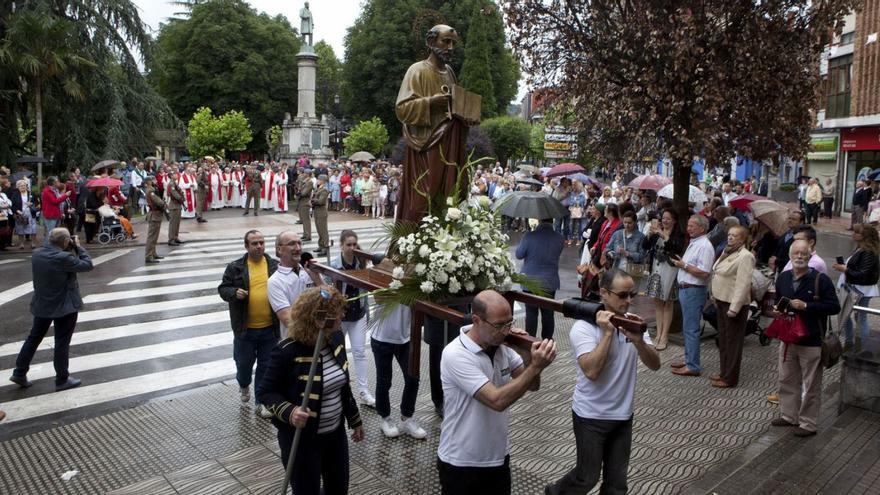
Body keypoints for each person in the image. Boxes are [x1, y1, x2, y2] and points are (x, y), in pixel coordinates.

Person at [545, 269, 660, 495]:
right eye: (622, 295)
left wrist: (639, 342)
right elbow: (592, 371)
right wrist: (607, 334)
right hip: (591, 416)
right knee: (586, 478)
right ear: (604, 293)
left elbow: (655, 364)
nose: (628, 301)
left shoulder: (632, 323)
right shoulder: (584, 327)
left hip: (623, 416)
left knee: (617, 485)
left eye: (632, 295)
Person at [437, 290, 557, 495]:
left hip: (498, 456)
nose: (505, 331)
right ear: (476, 320)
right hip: (461, 461)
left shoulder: (503, 347)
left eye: (509, 323)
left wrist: (527, 355)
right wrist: (536, 367)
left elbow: (532, 385)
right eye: (499, 325)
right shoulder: (455, 354)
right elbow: (496, 400)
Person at [257, 286, 365, 494]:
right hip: (302, 441)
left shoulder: (336, 338)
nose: (343, 316)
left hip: (335, 435)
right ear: (318, 320)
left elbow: (343, 385)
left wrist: (354, 419)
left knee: (338, 489)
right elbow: (265, 392)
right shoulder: (286, 351)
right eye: (337, 314)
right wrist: (290, 411)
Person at [395, 24, 472, 225]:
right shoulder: (417, 70)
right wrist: (430, 103)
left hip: (450, 144)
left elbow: (454, 105)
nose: (450, 47)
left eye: (453, 43)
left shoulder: (450, 72)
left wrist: (466, 114)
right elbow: (402, 109)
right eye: (445, 41)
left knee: (448, 195)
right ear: (431, 42)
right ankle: (415, 241)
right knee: (423, 197)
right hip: (426, 147)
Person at [770, 240, 840, 437]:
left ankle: (808, 424)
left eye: (803, 253)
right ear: (790, 256)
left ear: (810, 256)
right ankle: (788, 415)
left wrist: (807, 307)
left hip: (811, 339)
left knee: (811, 385)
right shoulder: (783, 277)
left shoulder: (820, 280)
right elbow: (777, 300)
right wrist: (777, 309)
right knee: (786, 379)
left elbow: (834, 306)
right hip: (787, 338)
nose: (799, 256)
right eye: (796, 253)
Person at [9, 228, 93, 391]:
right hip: (64, 306)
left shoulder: (37, 254)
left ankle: (19, 372)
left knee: (34, 338)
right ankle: (62, 379)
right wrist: (79, 247)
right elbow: (87, 265)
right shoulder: (63, 257)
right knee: (62, 342)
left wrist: (67, 245)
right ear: (64, 241)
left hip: (42, 303)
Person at [218, 230, 280, 418]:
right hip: (244, 329)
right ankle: (244, 384)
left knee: (266, 366)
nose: (259, 246)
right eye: (254, 243)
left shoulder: (274, 266)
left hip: (270, 329)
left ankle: (261, 403)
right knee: (244, 364)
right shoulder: (235, 267)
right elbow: (223, 289)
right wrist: (233, 292)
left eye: (261, 242)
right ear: (246, 246)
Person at [330, 230, 375, 407]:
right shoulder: (334, 265)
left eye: (354, 244)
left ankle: (364, 390)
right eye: (348, 244)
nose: (352, 248)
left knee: (359, 353)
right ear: (341, 245)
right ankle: (340, 390)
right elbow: (327, 290)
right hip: (340, 318)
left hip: (358, 316)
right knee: (338, 355)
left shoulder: (361, 263)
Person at [370, 304, 428, 439]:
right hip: (382, 337)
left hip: (406, 337)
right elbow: (379, 297)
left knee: (412, 378)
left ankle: (406, 417)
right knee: (384, 381)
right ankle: (385, 418)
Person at [709, 225, 755, 388]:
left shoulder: (745, 256)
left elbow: (743, 284)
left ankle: (730, 378)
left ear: (742, 239)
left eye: (735, 236)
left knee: (733, 342)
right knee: (723, 339)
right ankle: (724, 372)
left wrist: (735, 308)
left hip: (734, 304)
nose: (730, 238)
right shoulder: (727, 251)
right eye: (729, 235)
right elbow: (718, 273)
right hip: (721, 300)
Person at [670, 215, 715, 377]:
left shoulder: (704, 246)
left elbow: (704, 272)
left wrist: (684, 265)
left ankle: (693, 365)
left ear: (702, 228)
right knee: (687, 328)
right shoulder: (695, 243)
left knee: (691, 329)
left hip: (693, 290)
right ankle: (689, 359)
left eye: (692, 226)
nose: (688, 228)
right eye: (688, 225)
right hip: (686, 289)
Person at [515, 217, 565, 339]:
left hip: (530, 280)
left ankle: (530, 341)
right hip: (549, 281)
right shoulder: (559, 238)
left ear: (539, 220)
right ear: (552, 220)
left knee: (531, 314)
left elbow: (519, 254)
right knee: (548, 314)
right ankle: (547, 342)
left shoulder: (529, 236)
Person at [642, 208, 685, 350]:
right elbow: (645, 246)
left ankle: (664, 335)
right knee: (657, 302)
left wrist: (664, 236)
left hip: (671, 270)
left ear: (674, 221)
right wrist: (648, 236)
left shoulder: (679, 235)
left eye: (668, 218)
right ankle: (658, 333)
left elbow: (677, 248)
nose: (665, 221)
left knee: (668, 303)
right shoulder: (655, 232)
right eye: (663, 218)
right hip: (656, 268)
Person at [833, 223, 880, 350]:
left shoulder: (868, 251)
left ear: (864, 236)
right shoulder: (861, 248)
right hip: (856, 286)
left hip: (860, 288)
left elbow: (863, 274)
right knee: (848, 314)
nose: (853, 234)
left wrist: (845, 269)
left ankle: (862, 346)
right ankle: (850, 342)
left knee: (860, 316)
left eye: (857, 233)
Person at [40, 176, 71, 246]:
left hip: (56, 214)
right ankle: (47, 248)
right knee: (50, 232)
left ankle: (52, 247)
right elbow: (55, 201)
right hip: (50, 215)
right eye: (57, 181)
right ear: (53, 183)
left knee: (55, 233)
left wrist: (61, 213)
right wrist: (65, 195)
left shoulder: (55, 190)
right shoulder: (47, 191)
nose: (59, 183)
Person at [144, 176, 165, 265]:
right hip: (154, 215)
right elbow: (158, 202)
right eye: (153, 180)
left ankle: (153, 253)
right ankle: (149, 256)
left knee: (155, 237)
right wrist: (163, 202)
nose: (154, 181)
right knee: (152, 237)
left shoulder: (152, 189)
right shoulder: (151, 191)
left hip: (156, 215)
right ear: (149, 182)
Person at [11, 179, 37, 249]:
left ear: (26, 186)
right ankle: (21, 244)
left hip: (30, 213)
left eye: (24, 185)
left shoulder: (30, 193)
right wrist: (17, 211)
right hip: (20, 214)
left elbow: (36, 203)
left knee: (33, 228)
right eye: (21, 186)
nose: (22, 187)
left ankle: (33, 243)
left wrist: (31, 203)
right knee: (20, 228)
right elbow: (12, 205)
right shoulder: (15, 195)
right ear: (18, 187)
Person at [166, 171, 185, 246]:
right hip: (174, 205)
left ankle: (175, 237)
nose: (176, 175)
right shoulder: (171, 184)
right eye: (174, 174)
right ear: (171, 176)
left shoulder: (174, 183)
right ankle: (171, 239)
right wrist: (181, 198)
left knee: (177, 223)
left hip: (177, 205)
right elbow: (175, 194)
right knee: (173, 223)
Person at [313, 175, 330, 256]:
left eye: (319, 179)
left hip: (321, 211)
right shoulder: (318, 189)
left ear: (323, 181)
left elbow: (321, 201)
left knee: (323, 230)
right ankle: (321, 245)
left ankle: (326, 247)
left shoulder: (324, 190)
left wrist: (313, 200)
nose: (317, 180)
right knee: (319, 230)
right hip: (316, 211)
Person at [297, 171, 314, 241]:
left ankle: (308, 235)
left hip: (305, 201)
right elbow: (300, 189)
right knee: (303, 219)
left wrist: (299, 192)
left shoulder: (310, 182)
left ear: (307, 174)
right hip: (302, 201)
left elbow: (304, 192)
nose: (303, 174)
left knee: (306, 219)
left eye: (304, 173)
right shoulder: (304, 181)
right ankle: (305, 233)